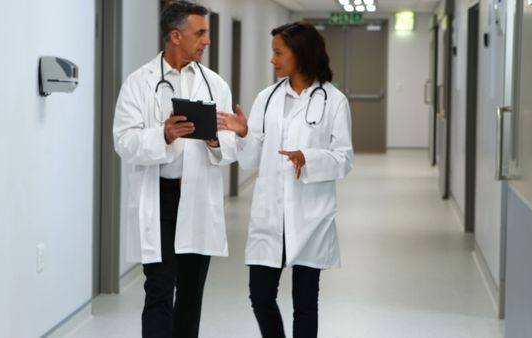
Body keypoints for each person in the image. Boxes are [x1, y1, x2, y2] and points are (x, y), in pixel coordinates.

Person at [217, 21, 354, 338]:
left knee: (305, 304)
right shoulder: (266, 99)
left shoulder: (333, 101)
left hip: (311, 216)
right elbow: (251, 159)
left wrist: (310, 158)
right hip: (270, 216)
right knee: (260, 296)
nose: (272, 59)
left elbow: (344, 159)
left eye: (278, 52)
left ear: (300, 54)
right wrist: (244, 133)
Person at [112, 1, 235, 337]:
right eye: (201, 33)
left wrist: (215, 141)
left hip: (197, 197)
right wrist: (163, 135)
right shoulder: (139, 83)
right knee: (159, 289)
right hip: (160, 198)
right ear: (175, 35)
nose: (207, 40)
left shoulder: (215, 85)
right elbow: (123, 141)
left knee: (191, 294)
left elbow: (231, 146)